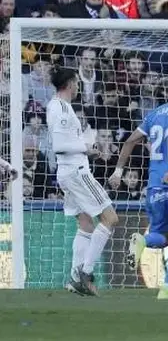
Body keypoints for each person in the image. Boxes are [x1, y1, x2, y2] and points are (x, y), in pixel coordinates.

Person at [111, 73, 168, 301]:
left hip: (154, 184)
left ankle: (142, 240)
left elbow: (130, 141)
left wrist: (118, 171)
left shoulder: (154, 115)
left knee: (163, 236)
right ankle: (166, 288)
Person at [46, 67, 119, 297]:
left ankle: (74, 277)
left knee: (86, 224)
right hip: (76, 172)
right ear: (69, 84)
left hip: (68, 173)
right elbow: (59, 146)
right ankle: (85, 273)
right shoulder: (61, 109)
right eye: (76, 82)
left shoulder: (58, 106)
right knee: (110, 218)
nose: (78, 86)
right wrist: (86, 148)